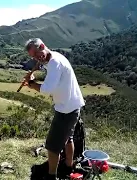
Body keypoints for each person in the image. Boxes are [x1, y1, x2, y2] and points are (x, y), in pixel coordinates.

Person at [22, 38, 86, 180]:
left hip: (66, 110)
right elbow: (50, 75)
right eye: (33, 56)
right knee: (68, 138)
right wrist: (34, 76)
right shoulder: (53, 57)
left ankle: (52, 176)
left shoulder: (55, 62)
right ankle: (68, 167)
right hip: (72, 105)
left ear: (43, 46)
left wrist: (31, 84)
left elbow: (47, 89)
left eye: (37, 53)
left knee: (52, 146)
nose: (36, 58)